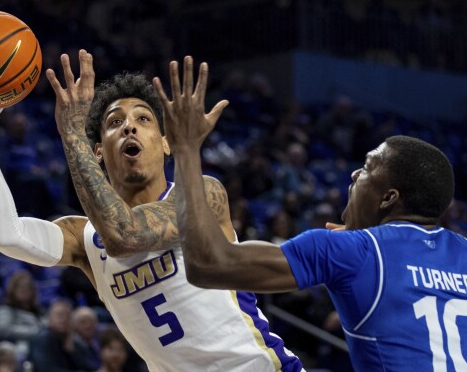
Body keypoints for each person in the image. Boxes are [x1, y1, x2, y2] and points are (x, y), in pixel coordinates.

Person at [0, 50, 303, 371]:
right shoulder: (84, 240)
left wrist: (72, 133)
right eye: (115, 122)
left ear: (165, 143)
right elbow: (7, 234)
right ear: (98, 150)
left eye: (144, 119)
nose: (129, 125)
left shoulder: (202, 195)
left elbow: (127, 234)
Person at [154, 55, 467, 371]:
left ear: (388, 198)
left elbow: (207, 264)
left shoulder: (350, 251)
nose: (355, 174)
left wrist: (185, 149)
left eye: (368, 168)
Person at [28, 299, 96, 371]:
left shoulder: (76, 341)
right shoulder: (43, 338)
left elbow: (88, 368)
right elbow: (46, 369)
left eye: (67, 316)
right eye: (59, 315)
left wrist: (73, 352)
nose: (64, 319)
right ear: (49, 319)